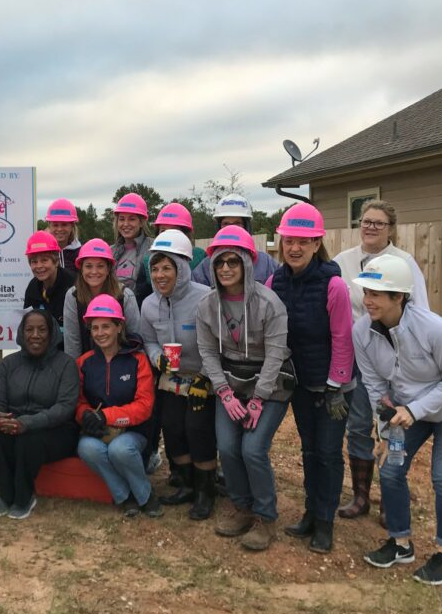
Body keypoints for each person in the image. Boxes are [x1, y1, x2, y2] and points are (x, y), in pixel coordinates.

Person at [353, 255, 442, 585]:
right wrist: (385, 428)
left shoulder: (434, 329)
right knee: (390, 468)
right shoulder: (361, 332)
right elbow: (374, 384)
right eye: (366, 292)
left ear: (399, 297)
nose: (367, 300)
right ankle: (401, 544)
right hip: (407, 411)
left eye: (376, 293)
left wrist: (414, 411)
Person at [333, 199, 430, 522]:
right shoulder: (343, 262)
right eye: (366, 221)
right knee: (358, 425)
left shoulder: (404, 263)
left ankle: (391, 496)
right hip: (357, 356)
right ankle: (361, 496)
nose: (371, 227)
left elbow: (420, 311)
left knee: (392, 426)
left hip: (394, 357)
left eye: (378, 222)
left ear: (391, 229)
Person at [196, 225, 292, 550]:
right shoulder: (207, 306)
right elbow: (208, 352)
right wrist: (223, 392)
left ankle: (265, 517)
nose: (225, 269)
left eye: (232, 262)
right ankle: (241, 506)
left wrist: (258, 400)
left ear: (247, 265)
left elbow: (276, 354)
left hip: (270, 382)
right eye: (220, 263)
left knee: (253, 448)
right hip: (231, 382)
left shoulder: (270, 304)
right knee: (226, 446)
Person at [266, 204, 354, 554]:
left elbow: (343, 339)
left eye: (303, 241)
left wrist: (336, 386)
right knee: (309, 449)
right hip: (299, 383)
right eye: (289, 241)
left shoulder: (334, 286)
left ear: (317, 244)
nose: (295, 248)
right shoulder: (275, 281)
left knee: (329, 453)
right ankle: (310, 512)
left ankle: (325, 522)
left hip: (333, 388)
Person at [139, 231, 216, 519]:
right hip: (171, 376)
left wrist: (206, 376)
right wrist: (157, 356)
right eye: (155, 268)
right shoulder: (149, 304)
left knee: (198, 428)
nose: (160, 275)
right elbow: (148, 340)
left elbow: (218, 343)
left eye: (167, 268)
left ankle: (205, 490)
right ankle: (184, 482)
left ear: (182, 269)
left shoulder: (205, 299)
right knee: (172, 427)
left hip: (203, 375)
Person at [0, 310, 80, 519]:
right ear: (21, 333)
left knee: (29, 439)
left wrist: (27, 423)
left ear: (52, 333)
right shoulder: (9, 364)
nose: (35, 335)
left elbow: (64, 408)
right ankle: (6, 495)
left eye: (42, 329)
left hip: (55, 430)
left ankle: (24, 498)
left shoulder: (66, 364)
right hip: (16, 424)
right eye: (29, 329)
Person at [76, 294, 159, 517]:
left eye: (106, 326)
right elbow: (79, 402)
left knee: (120, 449)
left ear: (119, 327)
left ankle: (145, 495)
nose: (100, 333)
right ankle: (125, 496)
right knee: (87, 448)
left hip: (135, 431)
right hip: (99, 431)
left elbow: (144, 405)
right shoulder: (84, 362)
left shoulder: (138, 360)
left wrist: (105, 416)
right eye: (95, 328)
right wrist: (85, 416)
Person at [62, 239, 141, 359]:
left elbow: (135, 338)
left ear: (108, 269)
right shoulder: (73, 296)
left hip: (122, 365)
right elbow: (72, 342)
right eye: (88, 266)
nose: (94, 271)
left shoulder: (125, 296)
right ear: (81, 268)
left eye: (100, 266)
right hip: (87, 367)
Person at [191, 193, 278, 286]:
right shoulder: (206, 266)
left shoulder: (266, 263)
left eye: (237, 223)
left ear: (247, 227)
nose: (231, 228)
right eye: (226, 223)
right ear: (219, 227)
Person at [22, 231, 75, 329]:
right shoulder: (32, 287)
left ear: (56, 261)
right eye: (34, 261)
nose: (39, 266)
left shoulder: (73, 285)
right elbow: (27, 326)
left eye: (44, 260)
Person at [111, 193, 153, 300]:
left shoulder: (153, 248)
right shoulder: (110, 251)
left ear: (141, 222)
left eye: (132, 219)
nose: (125, 224)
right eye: (121, 219)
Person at [45, 198, 82, 272]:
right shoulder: (43, 252)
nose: (59, 229)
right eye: (55, 225)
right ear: (49, 226)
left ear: (72, 226)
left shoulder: (81, 253)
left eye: (64, 224)